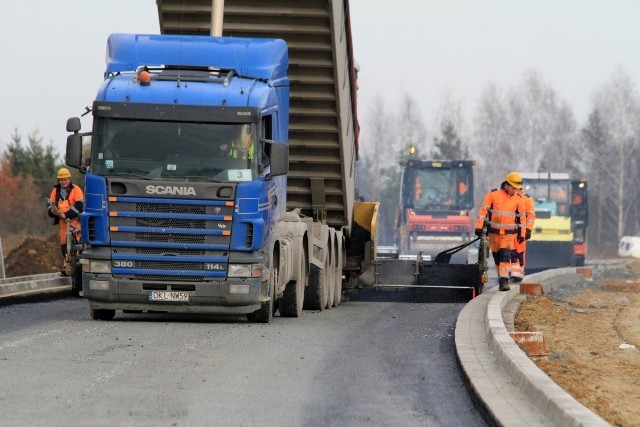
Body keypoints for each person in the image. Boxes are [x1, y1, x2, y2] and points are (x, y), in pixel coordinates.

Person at [475, 172, 526, 291]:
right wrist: (479, 227)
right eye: (513, 188)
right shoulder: (493, 195)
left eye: (516, 188)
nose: (515, 191)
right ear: (506, 185)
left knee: (505, 257)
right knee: (497, 258)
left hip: (508, 234)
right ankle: (501, 278)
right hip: (493, 233)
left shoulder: (518, 200)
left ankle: (504, 282)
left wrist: (522, 234)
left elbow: (522, 219)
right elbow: (483, 212)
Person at [47, 168, 84, 273]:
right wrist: (52, 211)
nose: (63, 182)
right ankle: (66, 263)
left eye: (65, 179)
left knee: (75, 241)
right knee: (63, 243)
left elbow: (79, 206)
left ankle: (76, 264)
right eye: (61, 180)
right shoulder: (55, 191)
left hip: (74, 221)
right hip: (63, 223)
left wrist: (66, 214)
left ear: (69, 179)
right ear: (58, 181)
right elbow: (50, 205)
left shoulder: (76, 190)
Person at [512, 188, 536, 282]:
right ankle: (514, 274)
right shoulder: (508, 197)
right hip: (509, 231)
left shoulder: (526, 199)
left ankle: (518, 273)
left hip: (520, 231)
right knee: (511, 253)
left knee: (519, 253)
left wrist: (528, 230)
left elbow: (530, 216)